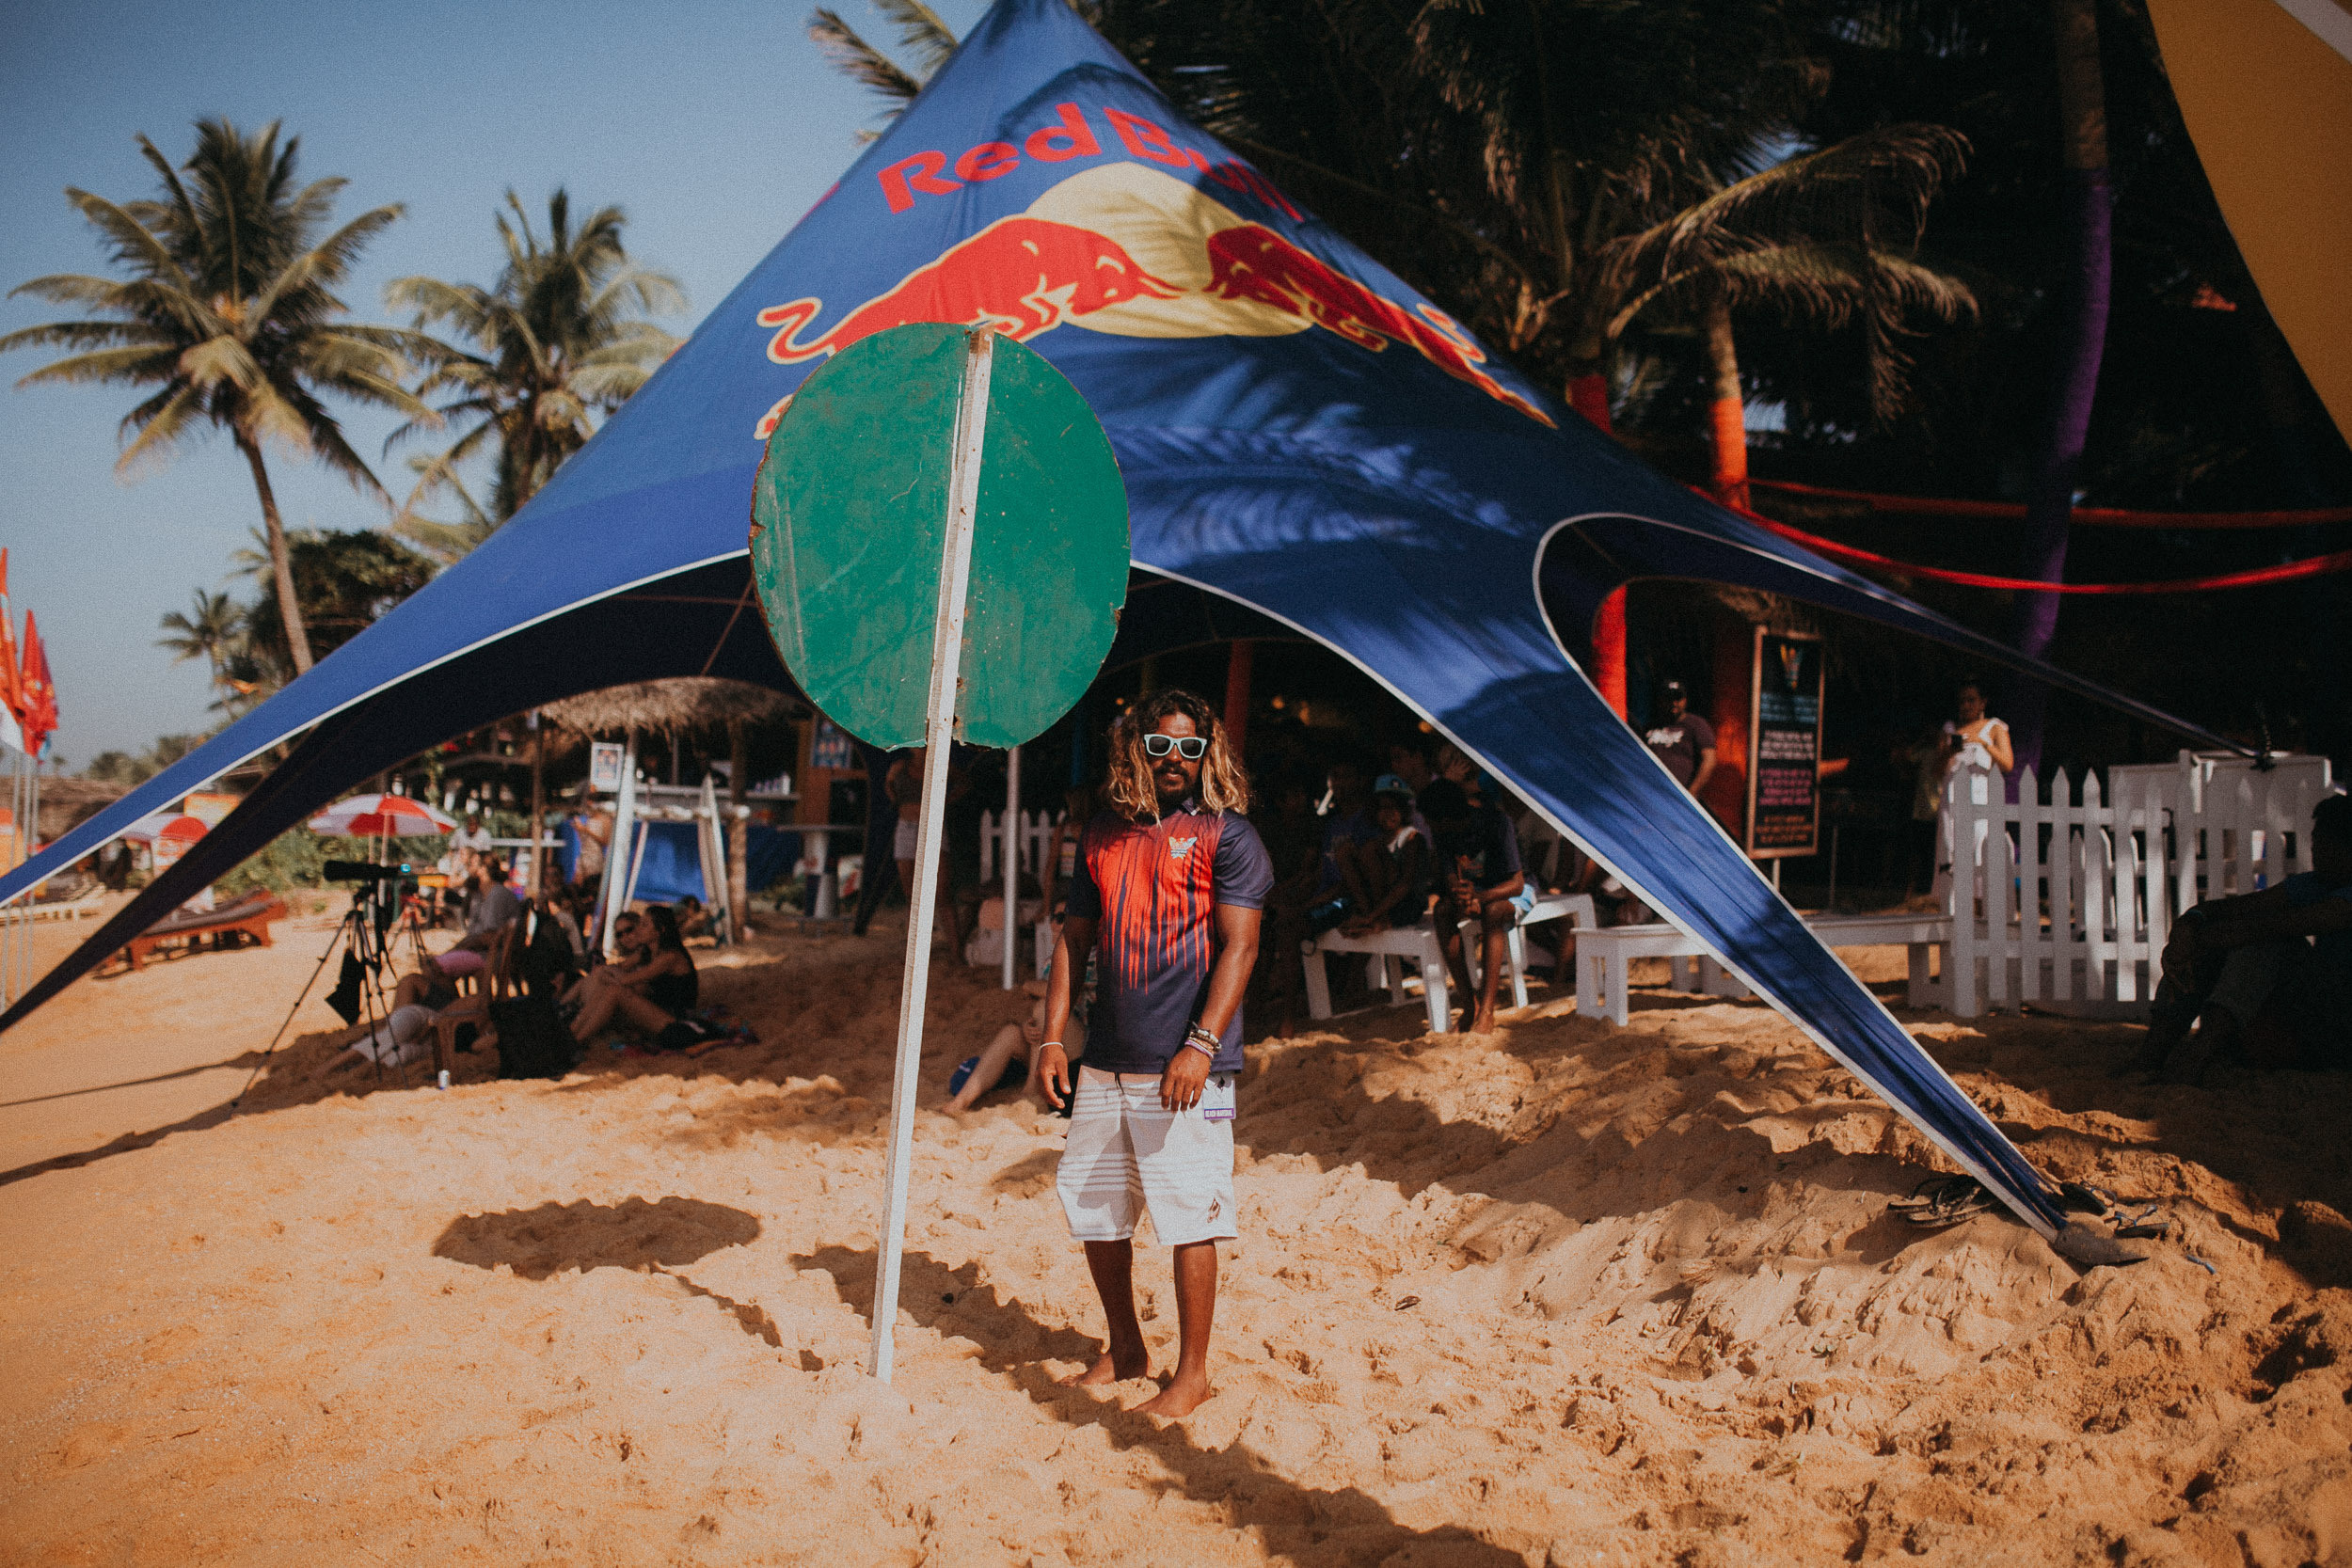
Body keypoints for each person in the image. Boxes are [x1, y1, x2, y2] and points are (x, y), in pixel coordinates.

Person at [1038, 689, 1270, 1418]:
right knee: (1097, 1208)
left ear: (1209, 755)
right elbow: (1073, 939)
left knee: (1189, 1215)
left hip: (1189, 1063)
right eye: (1160, 745)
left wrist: (1200, 1045)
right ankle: (1127, 1346)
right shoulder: (1102, 833)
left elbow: (1242, 945)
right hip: (1106, 1056)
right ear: (1135, 747)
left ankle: (1192, 1374)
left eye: (1190, 747)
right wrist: (1052, 1035)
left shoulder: (1228, 835)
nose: (1175, 759)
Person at [2134, 793, 2352, 1083]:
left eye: (2324, 842)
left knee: (2264, 941)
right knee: (2222, 943)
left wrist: (2197, 939)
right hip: (2309, 1011)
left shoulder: (2342, 899)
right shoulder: (2314, 884)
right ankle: (2152, 1054)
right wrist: (2191, 922)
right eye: (2316, 840)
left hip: (2338, 1022)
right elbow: (2235, 908)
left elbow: (2272, 926)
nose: (2315, 849)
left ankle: (2198, 1056)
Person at [1420, 777, 1526, 1034]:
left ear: (1445, 819)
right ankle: (1471, 1005)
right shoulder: (1443, 834)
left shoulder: (1497, 823)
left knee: (1494, 911)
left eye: (1432, 821)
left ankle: (1488, 1009)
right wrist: (1462, 896)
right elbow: (1451, 880)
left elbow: (1517, 884)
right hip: (1478, 891)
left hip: (1508, 890)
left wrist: (1480, 898)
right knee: (1443, 912)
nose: (1429, 827)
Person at [569, 904, 699, 1045]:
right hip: (657, 1013)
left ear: (660, 931)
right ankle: (571, 1032)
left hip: (676, 1022)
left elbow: (625, 979)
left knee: (615, 991)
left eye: (644, 925)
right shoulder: (647, 951)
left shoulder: (669, 957)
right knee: (610, 986)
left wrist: (606, 973)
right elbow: (618, 968)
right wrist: (606, 973)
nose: (638, 930)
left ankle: (575, 1041)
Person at [1931, 678, 2013, 901]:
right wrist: (1949, 750)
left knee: (1979, 846)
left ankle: (1980, 904)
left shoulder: (1994, 727)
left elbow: (2007, 763)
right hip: (1952, 796)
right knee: (1951, 846)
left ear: (1982, 702)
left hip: (1980, 794)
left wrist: (1984, 743)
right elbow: (1936, 770)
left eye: (1971, 700)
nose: (1966, 706)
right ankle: (1951, 906)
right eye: (1962, 701)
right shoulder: (1951, 730)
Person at [885, 746, 971, 954]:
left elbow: (965, 782)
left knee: (942, 892)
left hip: (932, 825)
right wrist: (897, 802)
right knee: (911, 893)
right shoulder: (899, 767)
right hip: (907, 826)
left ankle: (955, 950)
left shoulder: (941, 765)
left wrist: (946, 801)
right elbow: (888, 785)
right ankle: (917, 951)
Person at [1335, 778, 1431, 935]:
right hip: (1380, 904)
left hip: (1408, 903)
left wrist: (1373, 915)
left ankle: (1371, 918)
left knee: (1370, 849)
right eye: (1383, 808)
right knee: (1345, 850)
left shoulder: (1412, 838)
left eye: (1395, 807)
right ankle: (1367, 914)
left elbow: (1405, 885)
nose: (1389, 813)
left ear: (1404, 810)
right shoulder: (1377, 839)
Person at [1645, 680, 1717, 796]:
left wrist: (1692, 793)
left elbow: (1709, 759)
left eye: (1678, 698)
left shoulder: (1696, 724)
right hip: (1651, 793)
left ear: (1685, 700)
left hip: (1679, 796)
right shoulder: (1651, 726)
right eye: (1669, 698)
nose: (1674, 702)